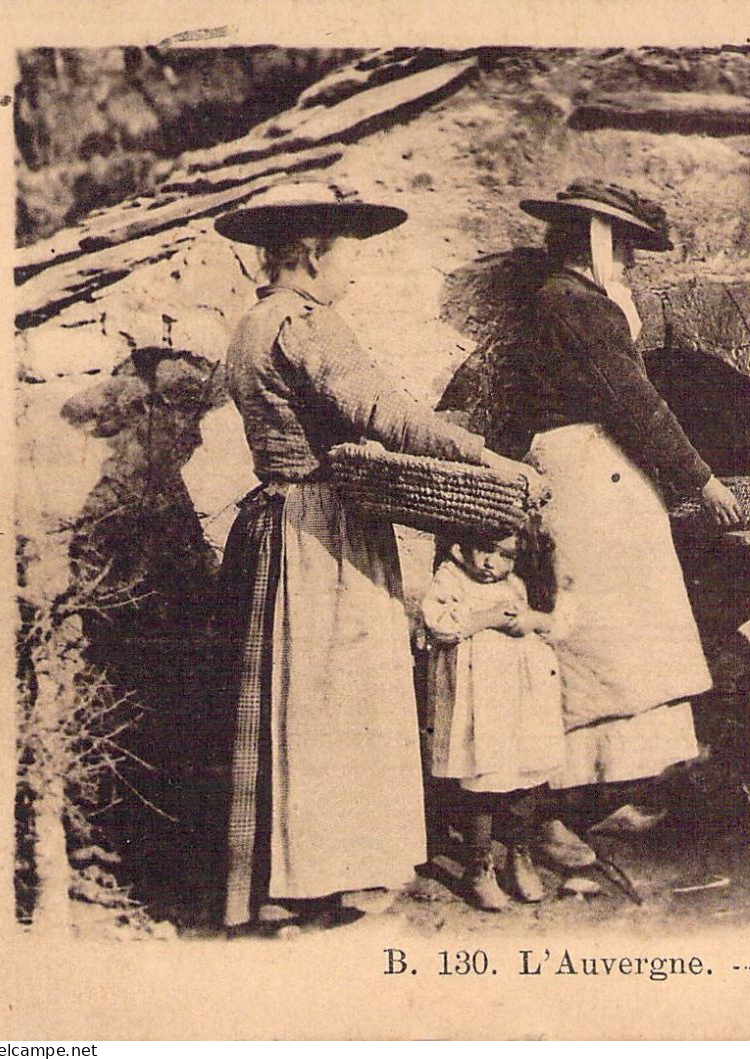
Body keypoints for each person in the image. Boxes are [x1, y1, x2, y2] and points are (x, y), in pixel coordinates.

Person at [212, 181, 539, 934]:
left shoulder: (249, 326)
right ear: (308, 257)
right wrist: (483, 454)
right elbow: (385, 413)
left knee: (284, 703)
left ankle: (270, 884)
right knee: (334, 701)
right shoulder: (308, 324)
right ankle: (326, 878)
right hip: (325, 530)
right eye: (346, 258)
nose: (353, 275)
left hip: (275, 520)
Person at [503, 179, 742, 887]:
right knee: (589, 645)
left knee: (627, 641)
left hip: (602, 475)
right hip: (582, 477)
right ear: (595, 243)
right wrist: (700, 480)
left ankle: (610, 792)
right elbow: (636, 403)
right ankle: (551, 813)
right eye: (625, 249)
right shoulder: (573, 304)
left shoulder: (575, 302)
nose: (630, 264)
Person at [421, 526, 564, 910]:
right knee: (480, 781)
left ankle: (519, 855)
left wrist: (528, 621)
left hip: (518, 701)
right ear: (462, 544)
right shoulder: (451, 576)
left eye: (504, 554)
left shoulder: (516, 582)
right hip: (476, 704)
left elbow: (551, 625)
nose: (491, 562)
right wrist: (486, 617)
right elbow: (439, 623)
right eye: (483, 550)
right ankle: (479, 865)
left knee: (522, 778)